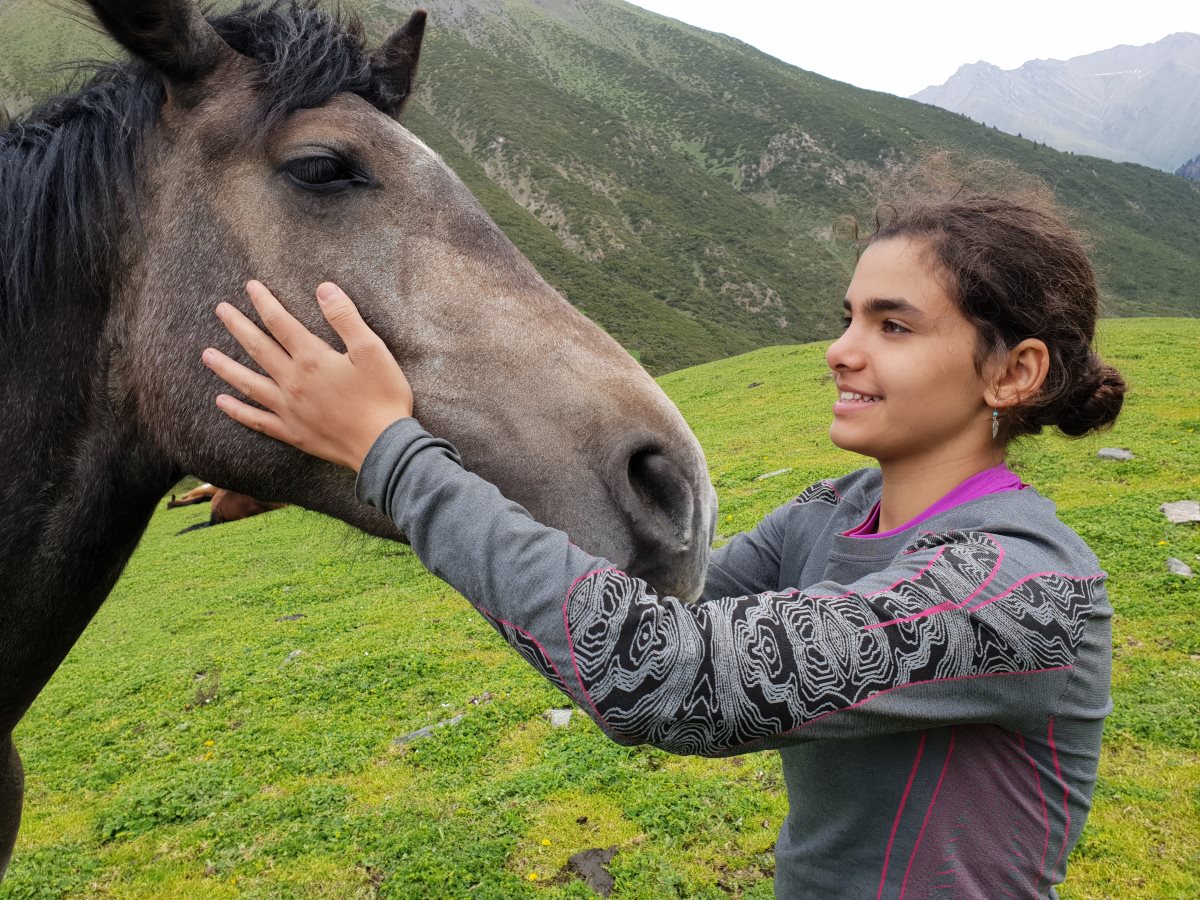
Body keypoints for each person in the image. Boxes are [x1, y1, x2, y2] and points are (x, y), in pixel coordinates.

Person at [201, 161, 1125, 898]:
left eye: (894, 325)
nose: (842, 349)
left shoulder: (1021, 590)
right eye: (847, 316)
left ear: (1013, 372)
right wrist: (364, 461)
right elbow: (619, 606)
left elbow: (664, 677)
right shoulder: (832, 514)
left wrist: (394, 460)